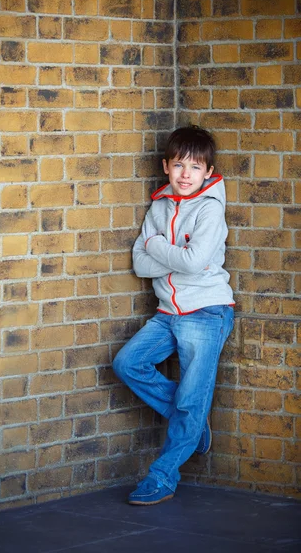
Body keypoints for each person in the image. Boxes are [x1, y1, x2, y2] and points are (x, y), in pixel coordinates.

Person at [113, 125, 235, 505]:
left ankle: (162, 477)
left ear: (207, 172)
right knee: (127, 363)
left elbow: (195, 261)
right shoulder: (160, 204)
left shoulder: (210, 209)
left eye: (195, 167)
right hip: (167, 312)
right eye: (179, 165)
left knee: (190, 401)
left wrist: (155, 246)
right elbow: (139, 263)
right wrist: (167, 255)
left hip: (207, 311)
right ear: (166, 166)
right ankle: (194, 426)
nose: (186, 174)